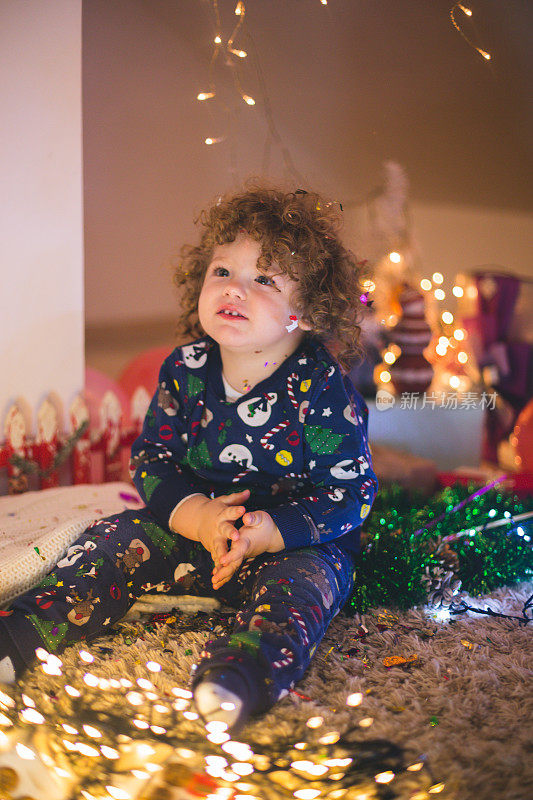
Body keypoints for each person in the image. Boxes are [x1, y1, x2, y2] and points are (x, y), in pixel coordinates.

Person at [0, 182, 378, 733]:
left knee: (300, 597)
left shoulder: (320, 386)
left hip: (292, 543)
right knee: (106, 543)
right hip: (197, 533)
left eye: (264, 279)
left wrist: (270, 531)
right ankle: (17, 636)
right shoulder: (187, 368)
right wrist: (196, 515)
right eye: (222, 272)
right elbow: (153, 459)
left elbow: (351, 492)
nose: (235, 289)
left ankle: (238, 676)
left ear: (308, 312)